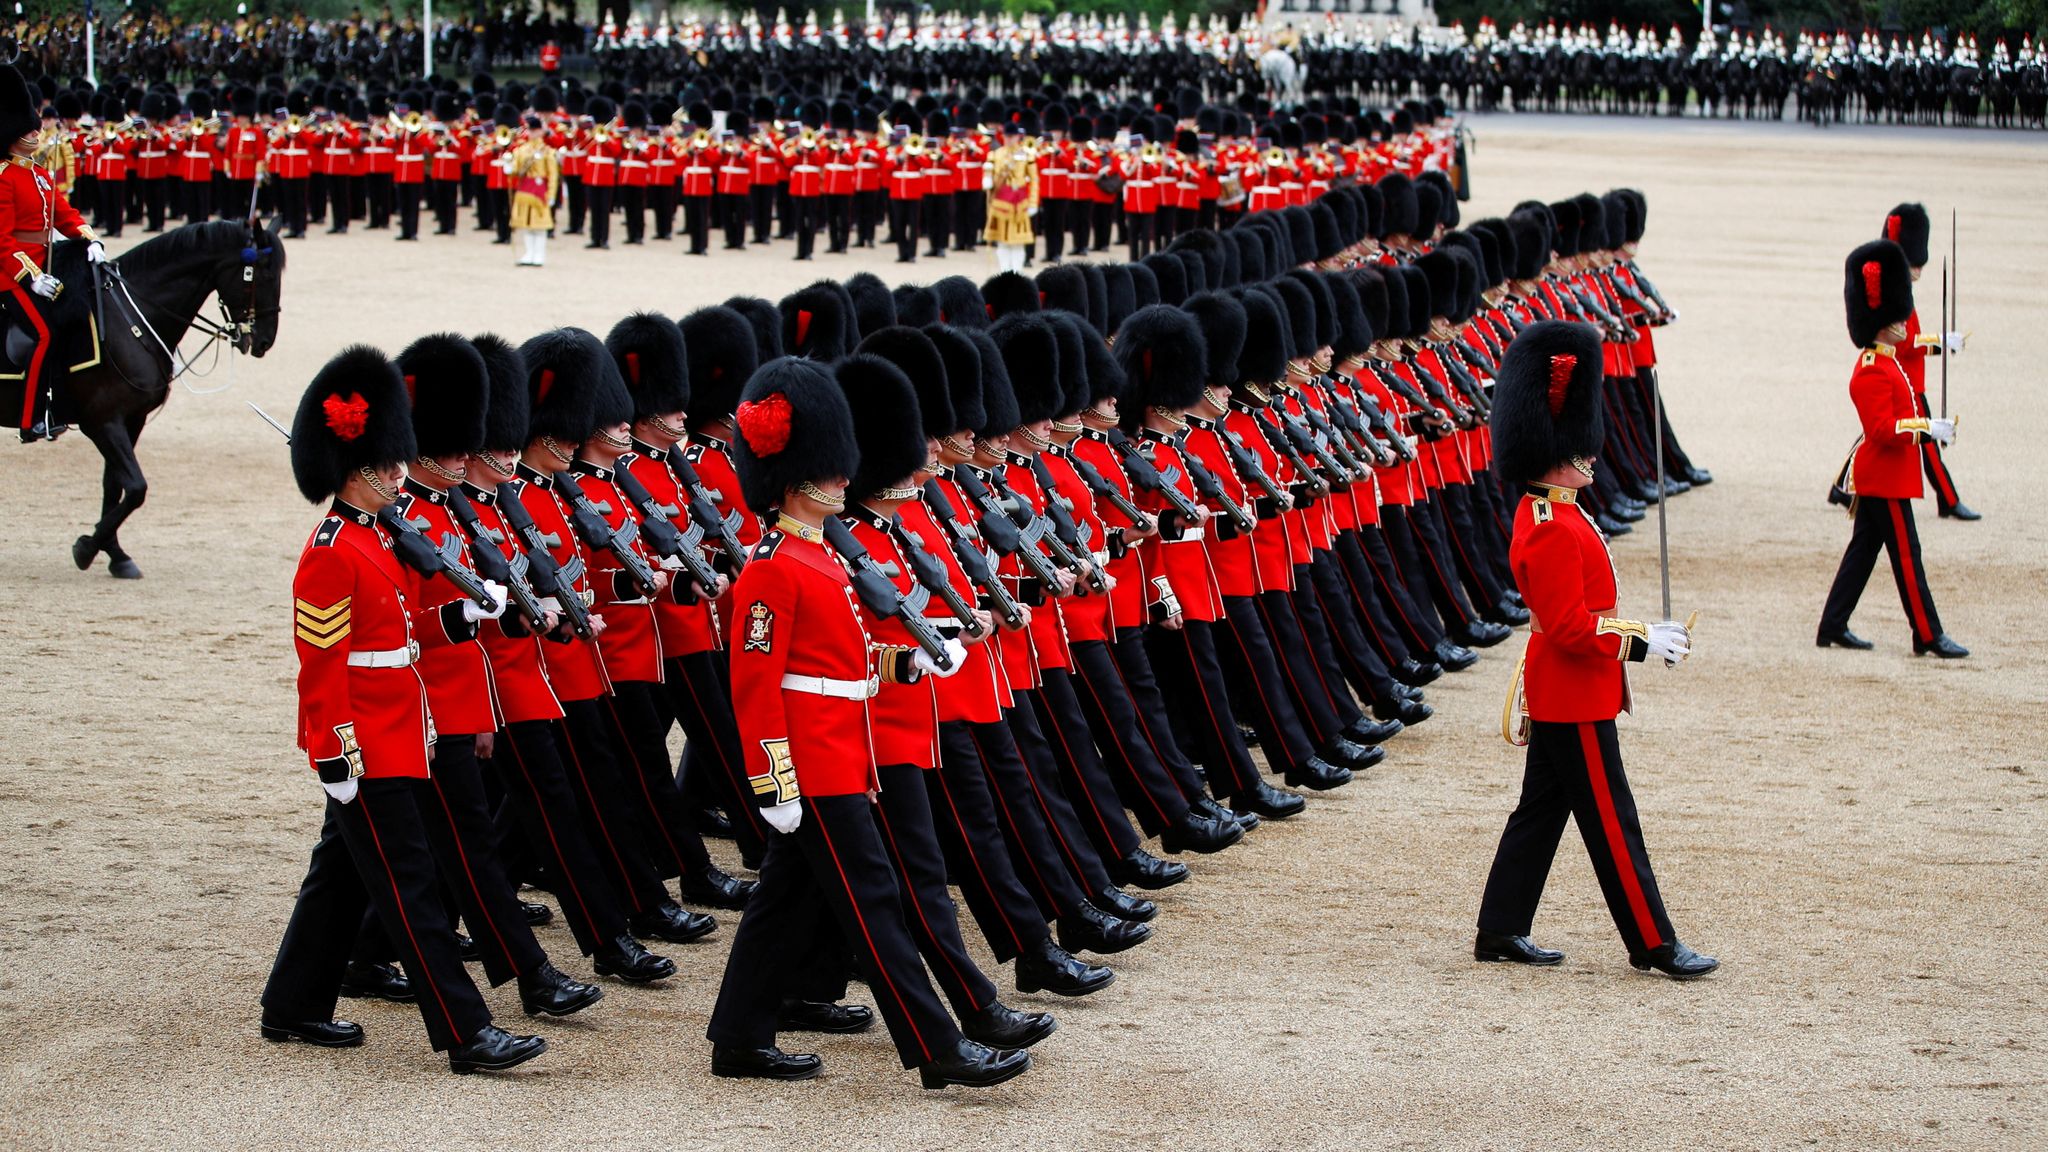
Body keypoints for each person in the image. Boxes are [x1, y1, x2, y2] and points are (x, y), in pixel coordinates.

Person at [705, 355, 1032, 1089]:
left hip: (849, 753)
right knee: (877, 902)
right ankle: (938, 1047)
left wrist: (907, 666)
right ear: (796, 480)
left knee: (782, 901)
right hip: (815, 768)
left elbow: (841, 664)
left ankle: (737, 1036)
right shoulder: (770, 569)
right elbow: (755, 688)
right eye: (830, 471)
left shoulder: (819, 558)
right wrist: (774, 781)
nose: (845, 480)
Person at [259, 344, 550, 1073]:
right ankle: (465, 1031)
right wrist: (335, 752)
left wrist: (467, 614)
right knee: (409, 883)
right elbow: (322, 665)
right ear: (352, 470)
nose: (400, 474)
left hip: (403, 724)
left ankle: (291, 1004)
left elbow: (411, 627)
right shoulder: (332, 550)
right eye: (387, 466)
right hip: (366, 742)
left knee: (341, 872)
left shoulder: (382, 537)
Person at [1473, 320, 1717, 980]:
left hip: (1568, 689)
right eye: (1579, 449)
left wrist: (1637, 637)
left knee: (1541, 813)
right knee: (1613, 821)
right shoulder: (1550, 524)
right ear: (1553, 451)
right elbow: (1571, 627)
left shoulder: (1559, 509)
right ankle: (1653, 943)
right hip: (1571, 692)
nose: (1592, 457)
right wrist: (1641, 640)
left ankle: (1500, 928)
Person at [1818, 240, 1968, 658]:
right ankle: (1927, 633)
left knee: (1863, 552)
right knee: (1907, 557)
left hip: (1888, 477)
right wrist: (1927, 429)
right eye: (1895, 318)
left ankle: (1832, 625)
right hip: (1884, 479)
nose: (1904, 323)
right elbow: (1883, 430)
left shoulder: (1887, 361)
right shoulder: (1870, 370)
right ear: (1880, 323)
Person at [1, 64, 104, 443]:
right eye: (28, 128)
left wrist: (88, 239)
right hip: (10, 277)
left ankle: (59, 403)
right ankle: (30, 420)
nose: (36, 131)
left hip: (44, 270)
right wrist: (31, 276)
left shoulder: (40, 174)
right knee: (43, 334)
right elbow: (2, 241)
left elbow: (65, 215)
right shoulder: (5, 177)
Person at [1879, 203, 1977, 520]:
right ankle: (1948, 499)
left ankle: (1841, 486)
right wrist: (1941, 341)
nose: (1919, 269)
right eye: (1914, 263)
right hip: (1905, 377)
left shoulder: (1901, 286)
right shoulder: (1895, 291)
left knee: (1878, 433)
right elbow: (1906, 343)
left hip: (1908, 375)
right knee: (1930, 444)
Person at [982, 118, 1037, 275]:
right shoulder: (995, 154)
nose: (1009, 139)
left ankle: (1017, 273)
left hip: (1020, 202)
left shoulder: (1027, 155)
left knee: (1018, 243)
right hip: (1000, 201)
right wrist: (987, 180)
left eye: (1012, 136)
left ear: (1018, 137)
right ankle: (1004, 273)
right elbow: (990, 175)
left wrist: (1033, 202)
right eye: (1007, 136)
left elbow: (1034, 180)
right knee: (1002, 242)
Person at [508, 115, 559, 266]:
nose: (531, 133)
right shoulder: (521, 150)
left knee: (539, 225)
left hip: (539, 190)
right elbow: (516, 170)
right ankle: (529, 253)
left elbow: (553, 175)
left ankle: (539, 254)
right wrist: (509, 168)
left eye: (534, 130)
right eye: (530, 130)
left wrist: (551, 194)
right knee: (526, 224)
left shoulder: (547, 151)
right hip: (525, 189)